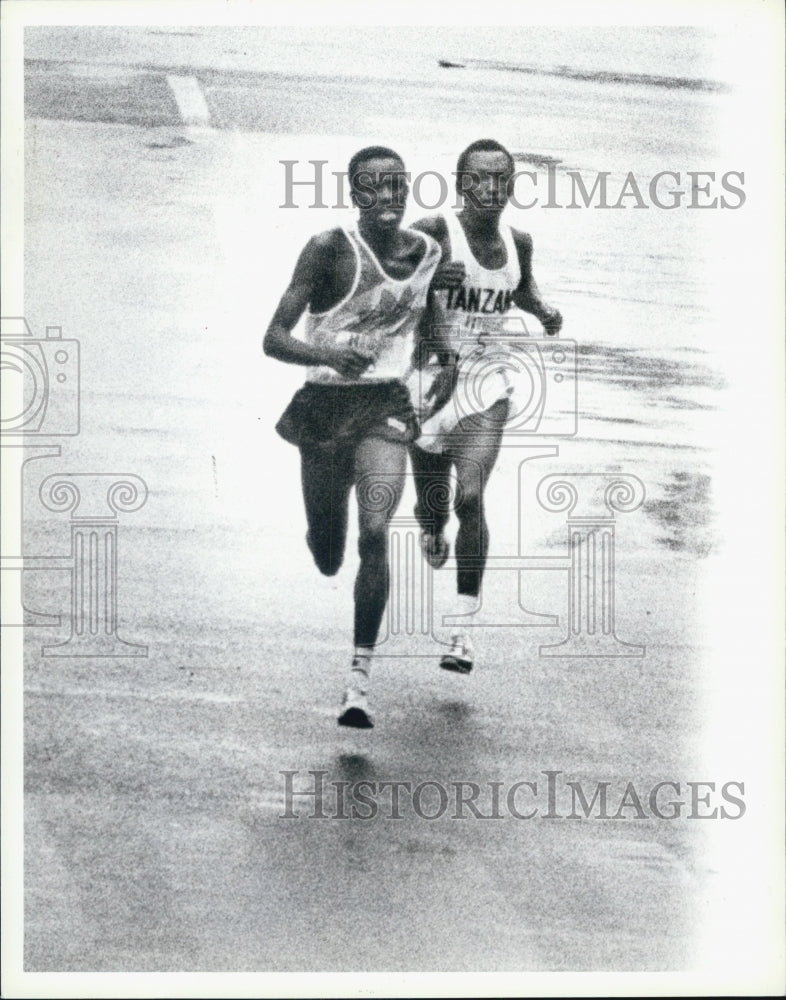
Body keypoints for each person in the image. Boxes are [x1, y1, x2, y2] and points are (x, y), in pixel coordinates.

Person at [264, 145, 454, 728]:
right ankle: (322, 532)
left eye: (398, 186)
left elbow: (432, 327)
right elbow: (273, 338)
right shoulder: (328, 249)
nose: (387, 198)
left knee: (376, 530)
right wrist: (329, 355)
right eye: (373, 187)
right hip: (324, 408)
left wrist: (443, 364)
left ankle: (358, 682)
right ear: (354, 195)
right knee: (329, 553)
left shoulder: (427, 253)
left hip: (384, 407)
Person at [409, 138, 563, 674]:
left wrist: (543, 310)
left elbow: (520, 289)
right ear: (460, 183)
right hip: (427, 382)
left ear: (512, 187)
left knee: (470, 497)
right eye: (479, 178)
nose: (490, 189)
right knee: (433, 507)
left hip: (485, 385)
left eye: (501, 180)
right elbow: (391, 289)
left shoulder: (518, 240)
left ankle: (462, 631)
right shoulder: (433, 233)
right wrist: (428, 285)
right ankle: (430, 528)